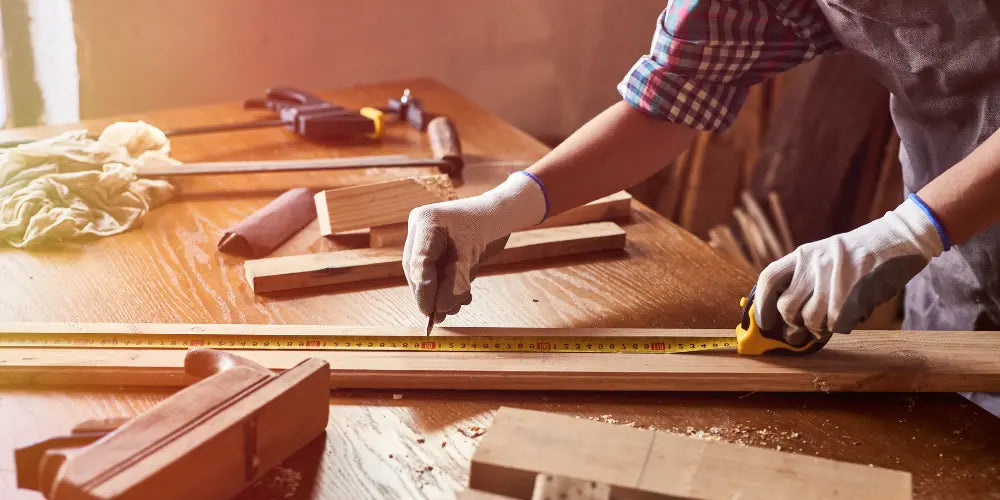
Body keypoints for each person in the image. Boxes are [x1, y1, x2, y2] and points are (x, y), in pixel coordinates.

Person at [402, 1, 1000, 409]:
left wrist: (908, 231)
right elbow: (674, 95)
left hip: (935, 222)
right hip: (955, 257)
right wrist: (502, 206)